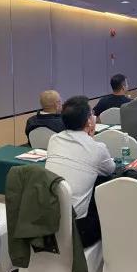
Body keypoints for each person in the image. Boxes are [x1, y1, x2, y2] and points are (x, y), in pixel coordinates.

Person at [45, 95, 115, 246]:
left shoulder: (54, 139)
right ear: (89, 121)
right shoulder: (97, 148)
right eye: (92, 114)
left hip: (48, 221)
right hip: (77, 230)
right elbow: (110, 169)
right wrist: (91, 138)